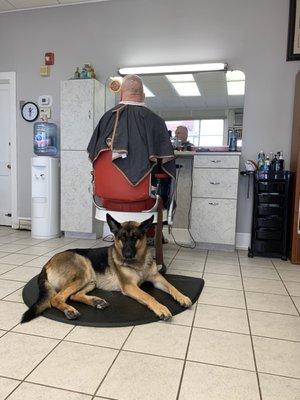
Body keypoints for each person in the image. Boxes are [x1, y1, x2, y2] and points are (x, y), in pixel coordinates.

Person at [87, 74, 176, 185]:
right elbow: (165, 162)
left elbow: (93, 153)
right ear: (143, 96)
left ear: (120, 95)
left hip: (107, 189)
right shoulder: (157, 121)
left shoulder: (106, 118)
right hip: (143, 194)